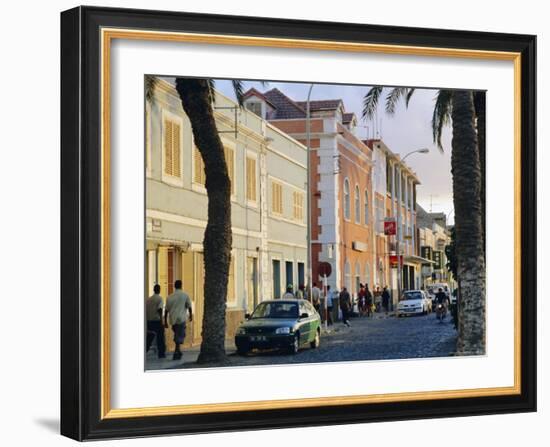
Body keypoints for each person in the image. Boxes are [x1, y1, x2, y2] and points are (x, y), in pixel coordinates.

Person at [165, 280, 193, 361]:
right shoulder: (185, 295)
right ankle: (176, 352)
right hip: (181, 318)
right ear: (181, 285)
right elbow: (189, 306)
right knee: (180, 335)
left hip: (173, 319)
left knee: (178, 334)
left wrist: (165, 321)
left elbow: (166, 310)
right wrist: (190, 315)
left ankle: (178, 351)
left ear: (174, 286)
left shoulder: (169, 296)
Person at [145, 284, 166, 358]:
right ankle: (161, 354)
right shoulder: (160, 299)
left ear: (154, 290)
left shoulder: (148, 299)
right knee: (160, 338)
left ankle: (145, 351)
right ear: (159, 290)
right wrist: (161, 320)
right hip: (157, 321)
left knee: (149, 338)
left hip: (149, 321)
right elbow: (160, 309)